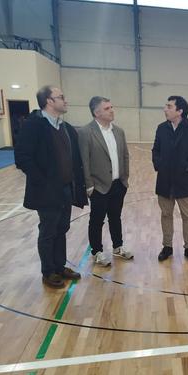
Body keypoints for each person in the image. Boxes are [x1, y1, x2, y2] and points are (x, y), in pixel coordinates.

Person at [14, 85, 87, 288]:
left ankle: (59, 266)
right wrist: (44, 181)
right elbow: (22, 158)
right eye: (61, 97)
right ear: (49, 101)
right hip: (46, 191)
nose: (66, 100)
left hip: (65, 189)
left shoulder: (65, 128)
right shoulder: (34, 125)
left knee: (62, 228)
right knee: (48, 230)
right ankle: (49, 271)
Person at [78, 96, 133, 266]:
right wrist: (89, 185)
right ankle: (97, 252)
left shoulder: (119, 131)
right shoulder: (86, 132)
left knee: (115, 217)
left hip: (118, 184)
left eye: (111, 107)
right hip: (98, 186)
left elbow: (124, 156)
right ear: (97, 112)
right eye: (107, 108)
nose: (112, 110)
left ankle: (118, 247)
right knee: (97, 220)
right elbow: (84, 160)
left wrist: (125, 179)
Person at [152, 96, 188, 262]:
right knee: (166, 214)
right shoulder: (161, 128)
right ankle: (167, 246)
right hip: (164, 180)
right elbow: (156, 150)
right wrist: (159, 165)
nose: (165, 109)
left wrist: (187, 167)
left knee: (187, 216)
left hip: (183, 180)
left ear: (180, 111)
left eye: (169, 106)